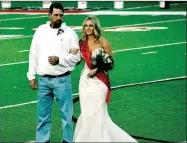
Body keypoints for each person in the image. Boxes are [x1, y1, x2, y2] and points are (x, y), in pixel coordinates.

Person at [73, 15, 138, 142]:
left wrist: (96, 70)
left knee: (98, 114)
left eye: (91, 25)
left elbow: (111, 63)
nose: (88, 28)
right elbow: (76, 61)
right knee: (86, 113)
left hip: (100, 81)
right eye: (86, 25)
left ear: (95, 27)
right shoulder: (81, 43)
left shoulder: (103, 42)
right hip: (85, 81)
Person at [27, 3, 81, 143]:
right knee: (42, 117)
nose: (59, 18)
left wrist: (60, 60)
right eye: (56, 15)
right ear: (49, 15)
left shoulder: (70, 33)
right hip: (43, 80)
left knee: (66, 116)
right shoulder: (40, 30)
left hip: (62, 80)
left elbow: (76, 58)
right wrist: (31, 75)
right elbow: (33, 54)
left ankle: (67, 141)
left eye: (61, 15)